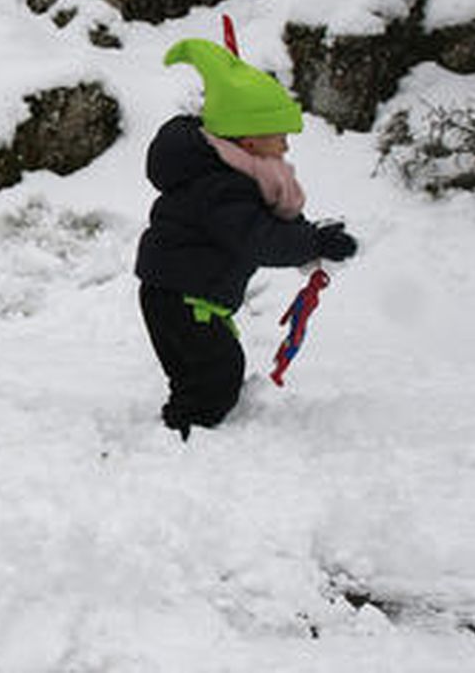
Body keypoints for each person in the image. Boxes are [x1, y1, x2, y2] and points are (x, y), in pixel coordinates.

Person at [134, 38, 358, 438]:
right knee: (216, 376)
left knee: (205, 371)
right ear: (249, 141)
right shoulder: (221, 187)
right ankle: (182, 434)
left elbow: (270, 224)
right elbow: (259, 239)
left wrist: (313, 236)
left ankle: (184, 423)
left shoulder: (236, 175)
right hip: (182, 299)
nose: (287, 145)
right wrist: (314, 243)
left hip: (179, 295)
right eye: (279, 136)